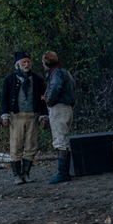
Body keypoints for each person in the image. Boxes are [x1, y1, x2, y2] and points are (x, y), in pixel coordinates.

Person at [0, 51, 48, 184]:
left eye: (28, 62)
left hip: (31, 116)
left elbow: (42, 99)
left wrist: (44, 116)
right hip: (16, 116)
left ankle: (26, 173)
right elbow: (4, 99)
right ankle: (17, 175)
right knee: (16, 146)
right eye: (24, 62)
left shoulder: (37, 79)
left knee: (31, 145)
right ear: (18, 64)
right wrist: (5, 116)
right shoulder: (9, 79)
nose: (26, 64)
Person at [41, 51, 75, 184]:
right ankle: (64, 172)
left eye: (43, 62)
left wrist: (48, 100)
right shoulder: (64, 71)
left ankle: (63, 173)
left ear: (46, 62)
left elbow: (55, 88)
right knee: (64, 140)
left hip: (59, 108)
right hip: (66, 107)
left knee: (60, 140)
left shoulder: (56, 73)